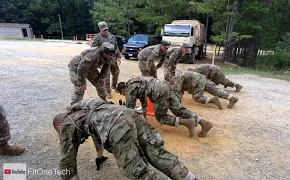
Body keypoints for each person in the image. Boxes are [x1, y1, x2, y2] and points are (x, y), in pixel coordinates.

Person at [53, 98, 198, 180]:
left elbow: (67, 161)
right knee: (157, 153)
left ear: (59, 127)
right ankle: (189, 178)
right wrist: (100, 156)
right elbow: (96, 132)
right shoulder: (84, 109)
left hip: (117, 126)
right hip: (130, 114)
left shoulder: (67, 124)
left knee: (136, 171)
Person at [116, 76, 213, 137]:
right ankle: (203, 122)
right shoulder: (136, 81)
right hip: (165, 86)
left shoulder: (130, 89)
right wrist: (144, 116)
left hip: (159, 92)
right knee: (178, 109)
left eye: (122, 93)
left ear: (123, 89)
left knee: (161, 117)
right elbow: (143, 98)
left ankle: (187, 122)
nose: (123, 95)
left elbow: (129, 111)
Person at [173, 71, 239, 109]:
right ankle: (231, 98)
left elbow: (177, 91)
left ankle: (213, 100)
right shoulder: (179, 76)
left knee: (196, 97)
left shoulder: (176, 78)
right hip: (202, 78)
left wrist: (176, 104)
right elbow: (181, 92)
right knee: (214, 90)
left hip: (198, 82)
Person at [91, 21, 122, 99]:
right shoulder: (97, 38)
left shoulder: (111, 36)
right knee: (106, 77)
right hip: (104, 60)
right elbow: (93, 49)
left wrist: (118, 56)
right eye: (104, 30)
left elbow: (116, 46)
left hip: (113, 59)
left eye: (106, 29)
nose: (106, 31)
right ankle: (108, 92)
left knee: (116, 73)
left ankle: (114, 86)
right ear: (100, 30)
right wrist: (98, 63)